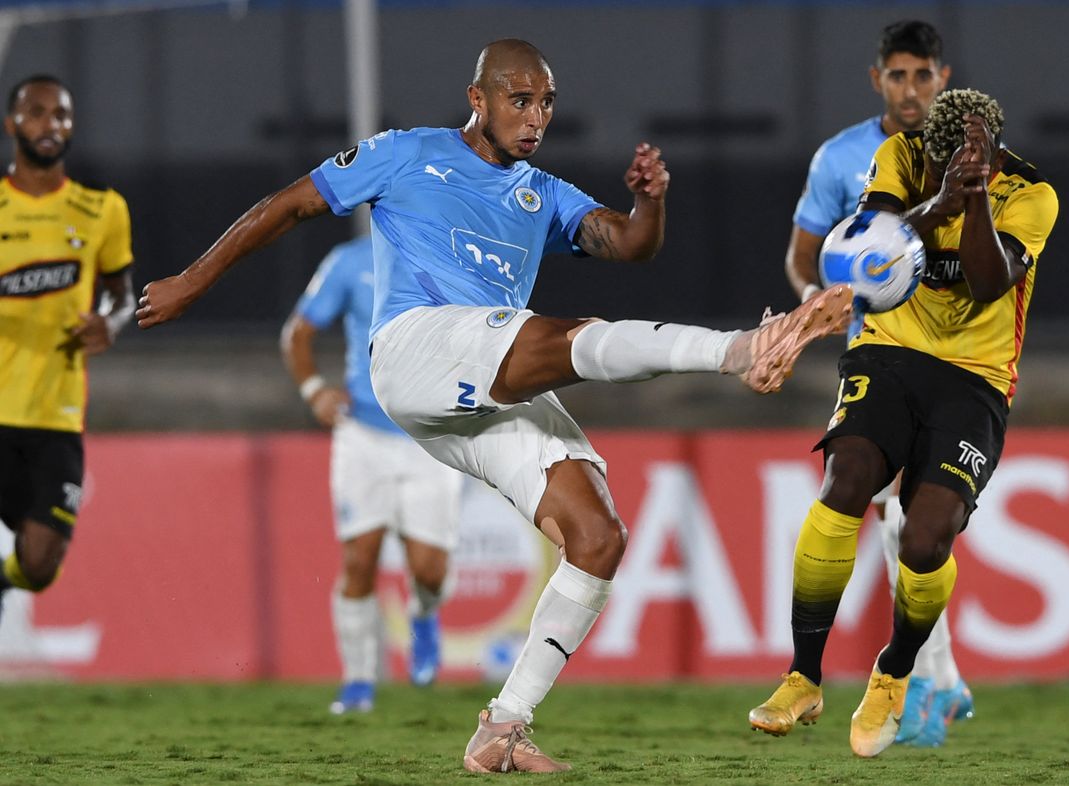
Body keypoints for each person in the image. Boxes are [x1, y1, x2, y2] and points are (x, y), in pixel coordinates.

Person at [136, 39, 852, 772]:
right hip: (414, 351)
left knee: (598, 535)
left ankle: (502, 727)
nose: (535, 115)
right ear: (477, 99)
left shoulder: (541, 193)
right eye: (519, 98)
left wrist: (650, 202)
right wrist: (192, 282)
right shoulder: (406, 152)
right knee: (566, 336)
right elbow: (287, 206)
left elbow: (632, 245)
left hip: (480, 386)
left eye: (546, 101)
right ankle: (741, 350)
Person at [748, 88, 1058, 758]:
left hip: (975, 382)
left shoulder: (1032, 195)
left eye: (965, 163)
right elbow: (867, 248)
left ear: (994, 155)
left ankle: (894, 671)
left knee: (923, 539)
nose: (942, 164)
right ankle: (802, 675)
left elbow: (985, 282)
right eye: (938, 158)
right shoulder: (901, 156)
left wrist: (973, 198)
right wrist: (941, 199)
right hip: (889, 353)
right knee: (845, 482)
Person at [779, 20, 972, 747]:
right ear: (878, 80)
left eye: (923, 75)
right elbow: (804, 258)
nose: (911, 89)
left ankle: (937, 680)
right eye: (898, 76)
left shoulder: (967, 158)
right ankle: (935, 681)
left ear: (942, 78)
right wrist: (816, 302)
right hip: (876, 356)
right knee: (889, 513)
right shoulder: (842, 158)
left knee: (910, 523)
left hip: (951, 361)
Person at [281, 234, 465, 711]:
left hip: (431, 435)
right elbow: (297, 332)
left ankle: (423, 615)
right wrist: (314, 390)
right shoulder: (349, 262)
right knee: (359, 560)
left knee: (429, 570)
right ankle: (358, 682)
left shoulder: (456, 253)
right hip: (361, 433)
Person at [0, 76, 134, 617]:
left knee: (39, 566)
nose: (49, 125)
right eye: (35, 113)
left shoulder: (102, 209)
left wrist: (111, 322)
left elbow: (122, 297)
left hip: (56, 415)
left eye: (60, 115)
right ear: (11, 125)